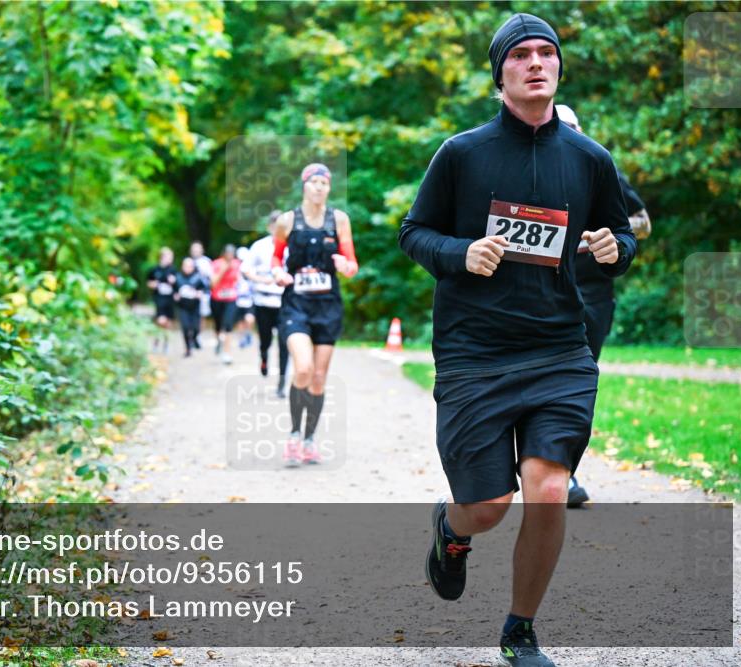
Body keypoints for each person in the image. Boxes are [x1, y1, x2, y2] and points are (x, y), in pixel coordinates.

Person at [398, 14, 635, 667]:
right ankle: (452, 529)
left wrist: (617, 249)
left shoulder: (590, 160)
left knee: (550, 485)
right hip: (475, 351)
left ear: (559, 68)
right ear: (500, 73)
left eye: (546, 54)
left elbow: (623, 233)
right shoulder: (463, 153)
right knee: (488, 506)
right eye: (522, 55)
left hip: (560, 347)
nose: (537, 63)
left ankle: (520, 629)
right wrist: (460, 251)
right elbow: (414, 231)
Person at [556, 103, 653, 508]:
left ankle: (563, 468)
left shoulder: (603, 169)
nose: (568, 135)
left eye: (573, 127)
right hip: (546, 290)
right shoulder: (532, 173)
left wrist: (609, 234)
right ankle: (552, 469)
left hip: (594, 294)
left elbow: (643, 222)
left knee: (579, 380)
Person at [272, 164, 358, 467]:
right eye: (314, 182)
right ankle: (293, 436)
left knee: (319, 378)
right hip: (296, 304)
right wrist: (278, 274)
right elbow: (275, 259)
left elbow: (351, 263)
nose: (320, 187)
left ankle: (309, 441)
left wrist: (345, 266)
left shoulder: (339, 220)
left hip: (328, 306)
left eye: (325, 183)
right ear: (304, 186)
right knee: (304, 369)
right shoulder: (286, 221)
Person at [242, 210, 289, 397]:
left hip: (285, 302)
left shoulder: (291, 246)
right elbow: (246, 269)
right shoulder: (259, 247)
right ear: (270, 227)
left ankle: (282, 383)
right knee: (265, 340)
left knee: (286, 343)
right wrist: (262, 280)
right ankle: (264, 358)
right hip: (263, 301)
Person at [210, 244, 242, 365]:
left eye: (232, 253)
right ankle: (219, 341)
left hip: (231, 298)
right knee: (218, 325)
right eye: (228, 253)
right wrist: (223, 269)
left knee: (228, 325)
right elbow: (212, 284)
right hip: (216, 298)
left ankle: (227, 353)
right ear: (223, 253)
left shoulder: (237, 264)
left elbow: (239, 279)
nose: (230, 256)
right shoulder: (216, 263)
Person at [146, 247, 177, 354]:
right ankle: (156, 343)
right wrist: (153, 285)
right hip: (159, 298)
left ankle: (166, 345)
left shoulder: (173, 270)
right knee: (160, 321)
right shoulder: (154, 270)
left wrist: (173, 282)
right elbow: (149, 282)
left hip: (170, 299)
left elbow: (178, 284)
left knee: (168, 323)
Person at [189, 241, 213, 349]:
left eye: (197, 249)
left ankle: (198, 336)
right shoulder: (188, 262)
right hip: (190, 293)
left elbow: (211, 278)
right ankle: (190, 336)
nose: (196, 252)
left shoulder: (206, 262)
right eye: (194, 250)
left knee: (202, 315)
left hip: (204, 293)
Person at [234, 247, 256, 349]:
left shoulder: (252, 269)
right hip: (238, 299)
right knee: (240, 321)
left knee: (249, 318)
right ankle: (242, 338)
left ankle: (248, 333)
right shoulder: (235, 270)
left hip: (249, 299)